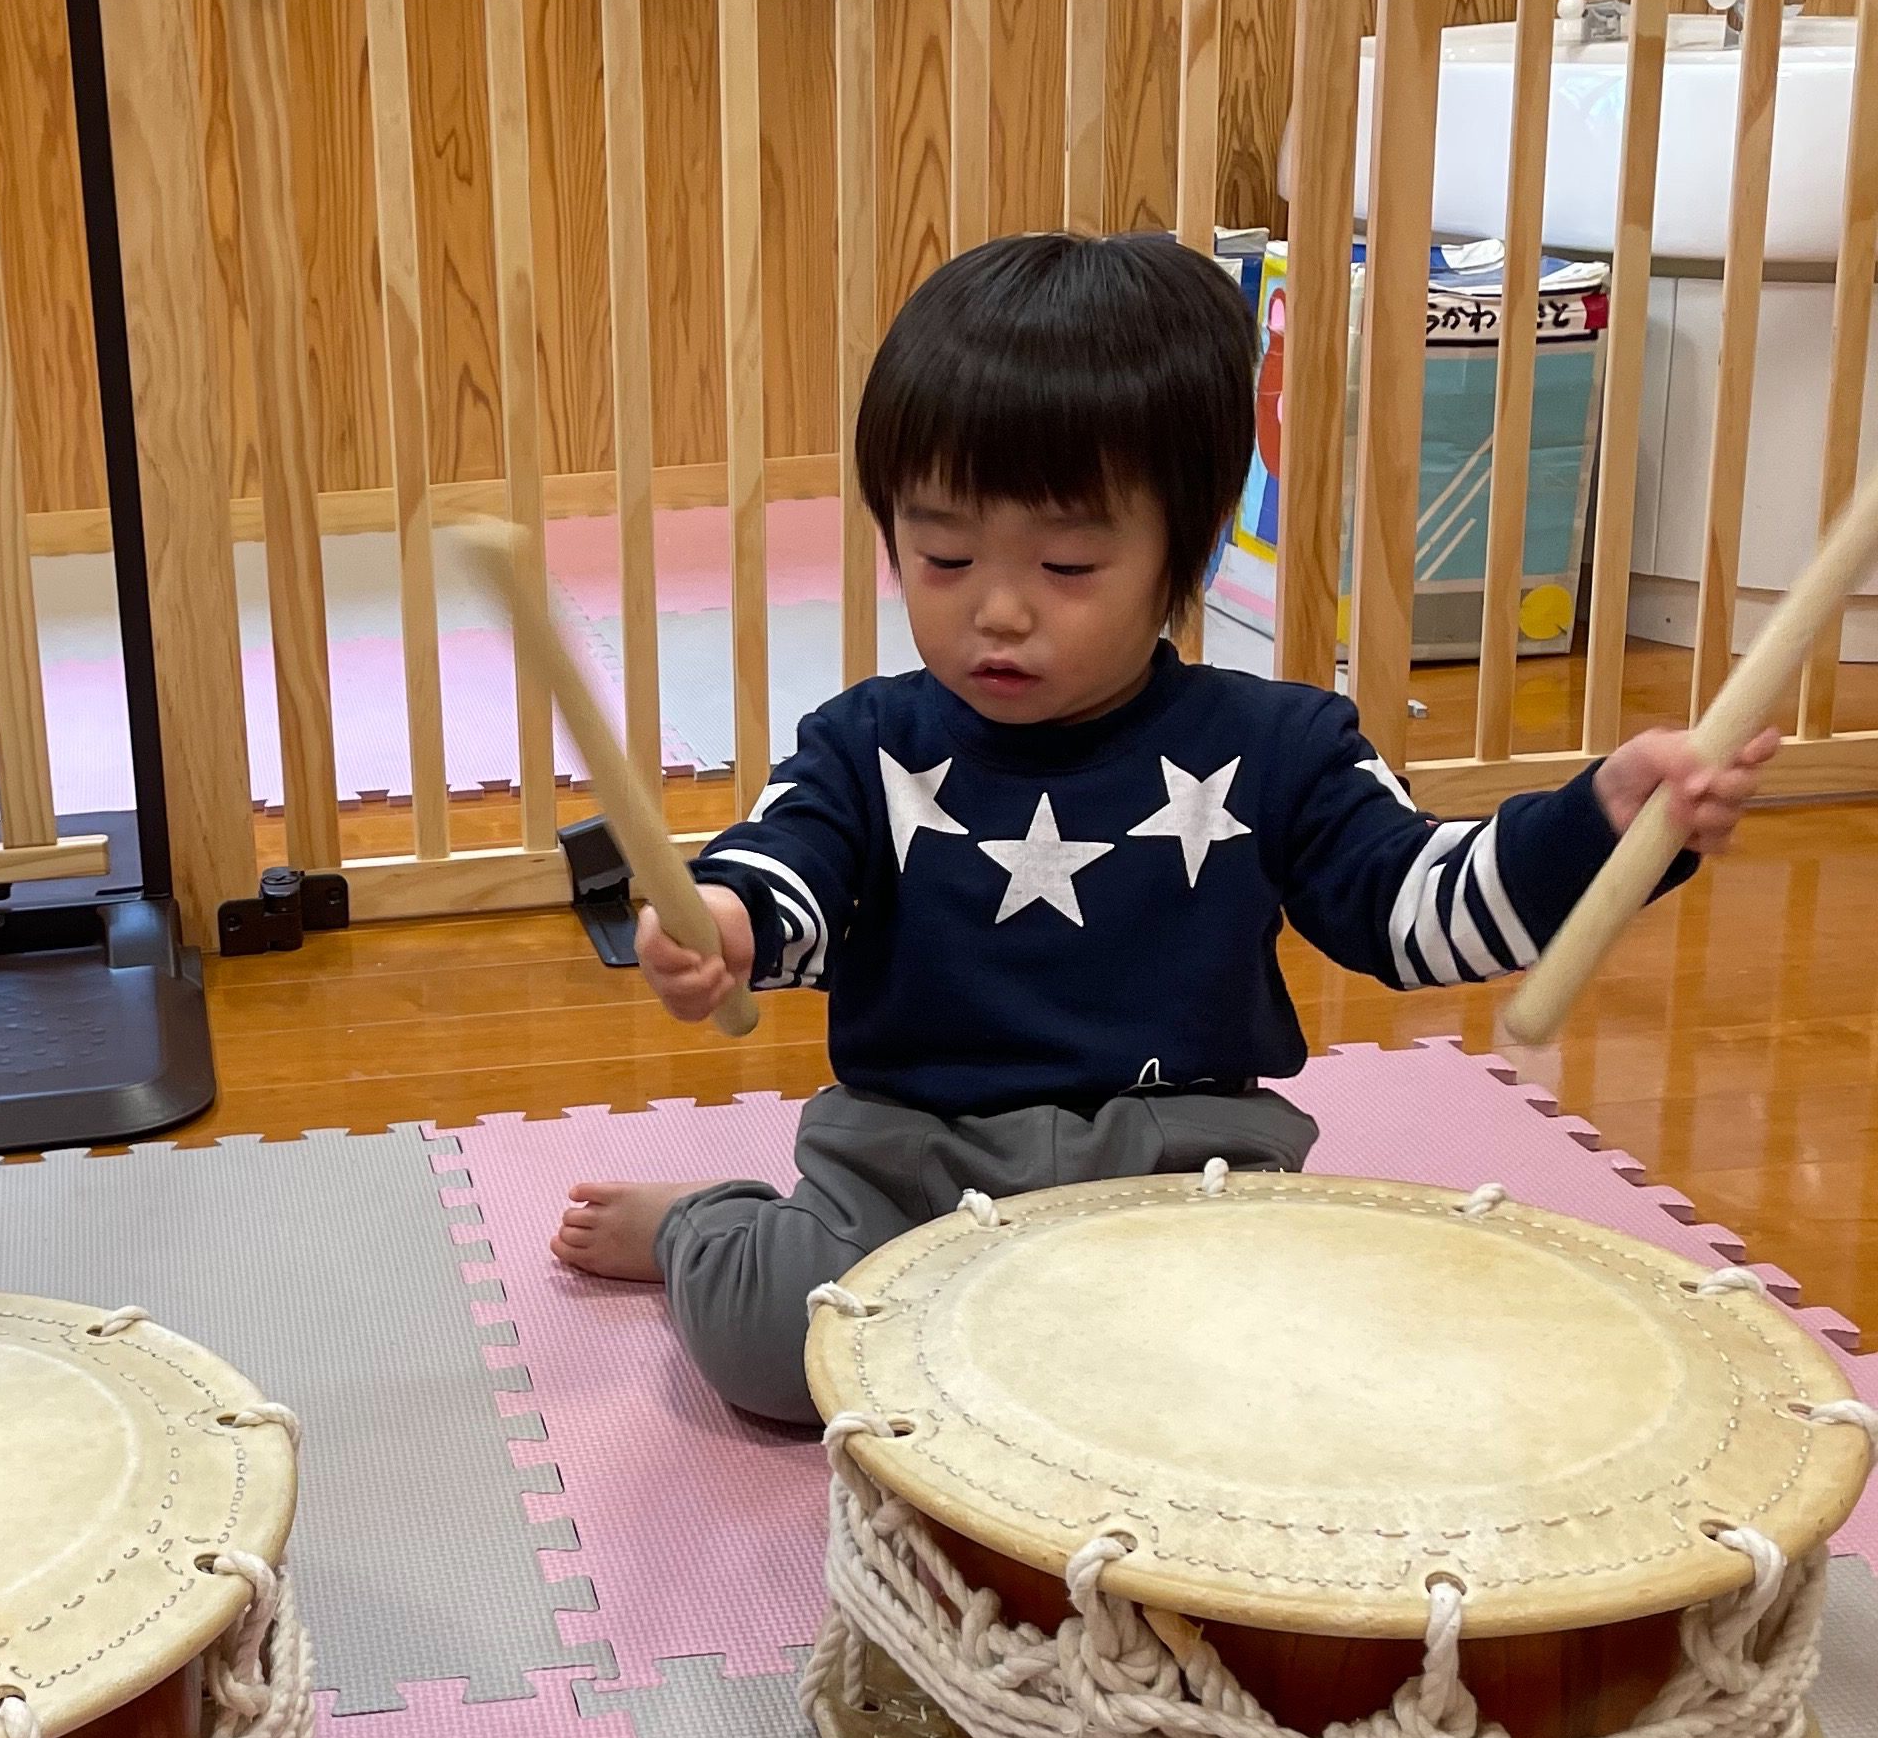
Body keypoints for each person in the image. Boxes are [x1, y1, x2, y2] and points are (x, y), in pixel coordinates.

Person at [554, 228, 1774, 1420]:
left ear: (1178, 557)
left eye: (1070, 566)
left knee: (1291, 1375)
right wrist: (718, 922)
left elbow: (1419, 913)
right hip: (914, 1161)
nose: (999, 611)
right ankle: (707, 1222)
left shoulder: (1285, 745)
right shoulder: (863, 743)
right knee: (780, 1349)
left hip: (1188, 1170)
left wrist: (1604, 823)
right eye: (941, 555)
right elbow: (790, 879)